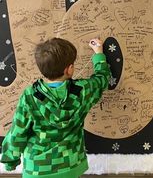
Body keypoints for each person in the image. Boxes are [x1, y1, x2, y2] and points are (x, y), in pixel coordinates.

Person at [0, 37, 111, 178]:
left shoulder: (30, 95)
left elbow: (17, 132)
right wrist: (98, 53)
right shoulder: (83, 90)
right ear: (69, 69)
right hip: (71, 166)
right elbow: (102, 79)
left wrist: (10, 161)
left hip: (37, 169)